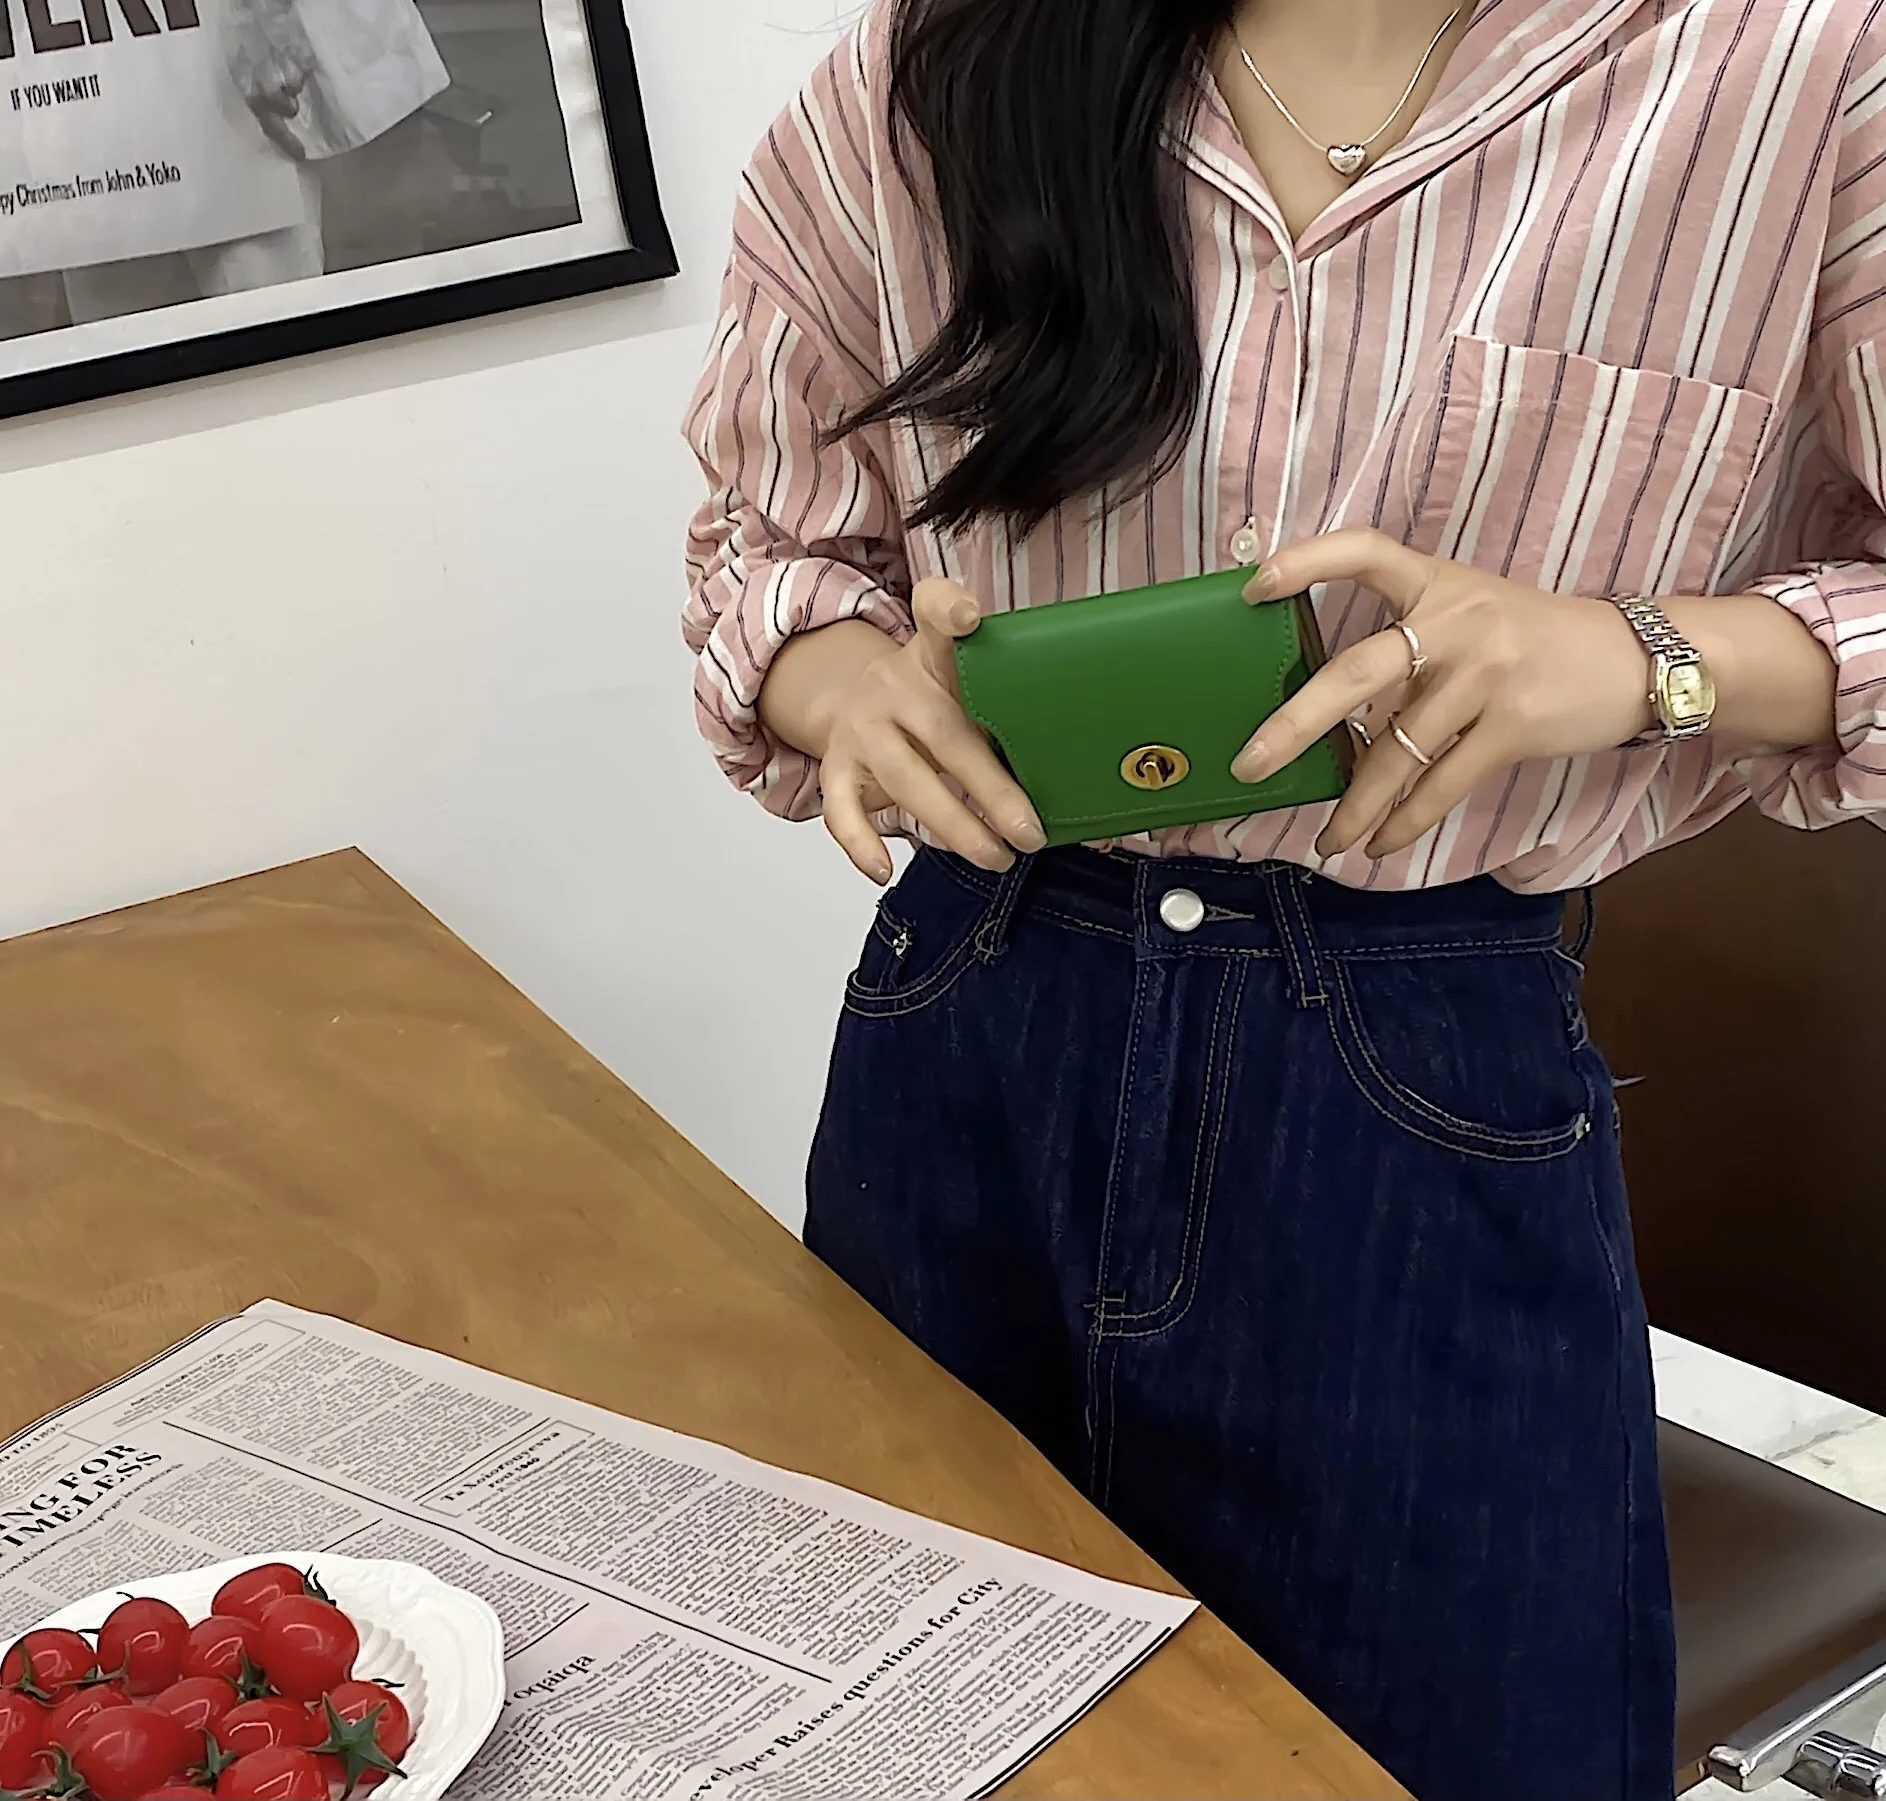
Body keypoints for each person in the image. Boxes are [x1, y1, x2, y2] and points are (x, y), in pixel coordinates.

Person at [681, 3, 1880, 1796]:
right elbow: (764, 538)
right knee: (911, 1724)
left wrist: (1647, 656)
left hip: (1417, 1065)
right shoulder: (939, 61)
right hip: (974, 1008)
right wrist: (834, 672)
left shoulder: (1803, 68)